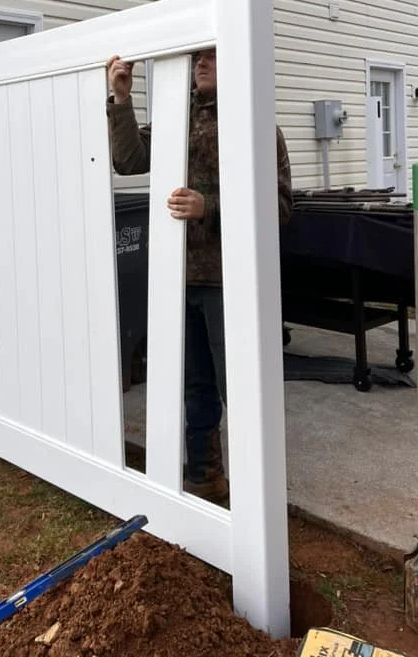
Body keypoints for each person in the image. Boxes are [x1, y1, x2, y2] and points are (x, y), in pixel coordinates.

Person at [106, 50, 292, 503]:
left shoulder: (255, 126)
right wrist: (122, 98)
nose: (201, 65)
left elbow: (280, 208)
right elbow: (129, 161)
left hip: (230, 282)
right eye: (198, 59)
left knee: (240, 389)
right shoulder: (177, 118)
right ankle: (206, 477)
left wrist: (209, 206)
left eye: (212, 57)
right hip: (178, 278)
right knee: (195, 386)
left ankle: (255, 497)